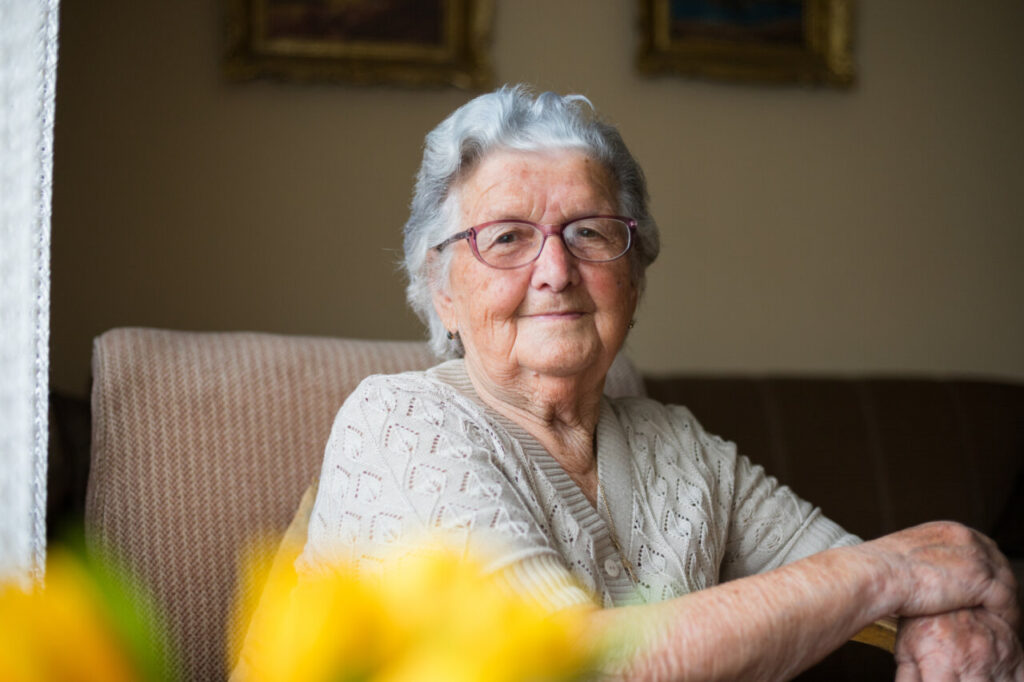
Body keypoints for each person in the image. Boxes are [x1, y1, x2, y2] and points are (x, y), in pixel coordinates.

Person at [299, 85, 1022, 679]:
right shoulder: (401, 423)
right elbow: (566, 666)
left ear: (634, 277)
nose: (555, 271)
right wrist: (898, 568)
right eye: (508, 236)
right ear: (443, 288)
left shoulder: (677, 444)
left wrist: (955, 608)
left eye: (589, 231)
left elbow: (866, 584)